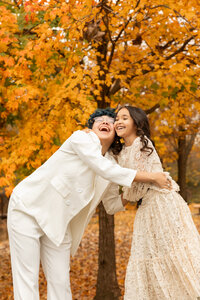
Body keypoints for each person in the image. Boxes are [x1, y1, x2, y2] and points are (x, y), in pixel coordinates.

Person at [7, 108, 169, 300]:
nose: (105, 122)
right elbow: (104, 169)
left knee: (60, 283)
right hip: (27, 208)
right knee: (27, 280)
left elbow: (112, 204)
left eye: (111, 120)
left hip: (60, 222)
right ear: (90, 128)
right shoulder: (81, 139)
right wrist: (151, 177)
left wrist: (135, 192)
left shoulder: (111, 161)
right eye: (99, 120)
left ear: (116, 132)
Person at [114, 105, 200, 300]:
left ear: (136, 123)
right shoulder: (121, 151)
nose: (118, 121)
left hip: (161, 204)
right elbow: (135, 179)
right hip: (147, 208)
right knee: (149, 256)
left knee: (171, 255)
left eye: (124, 118)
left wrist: (124, 199)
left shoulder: (141, 143)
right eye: (117, 118)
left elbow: (139, 186)